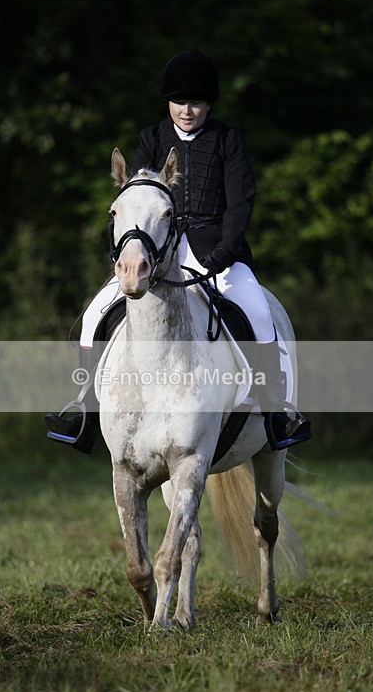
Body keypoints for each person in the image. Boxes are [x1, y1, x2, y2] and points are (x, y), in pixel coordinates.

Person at [46, 50, 311, 452]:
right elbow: (134, 200)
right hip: (159, 249)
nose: (188, 110)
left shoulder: (227, 140)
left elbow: (242, 203)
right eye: (181, 101)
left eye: (198, 102)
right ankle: (85, 409)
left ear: (209, 104)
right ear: (168, 101)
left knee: (257, 310)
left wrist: (226, 251)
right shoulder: (151, 139)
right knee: (97, 311)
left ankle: (276, 412)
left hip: (215, 248)